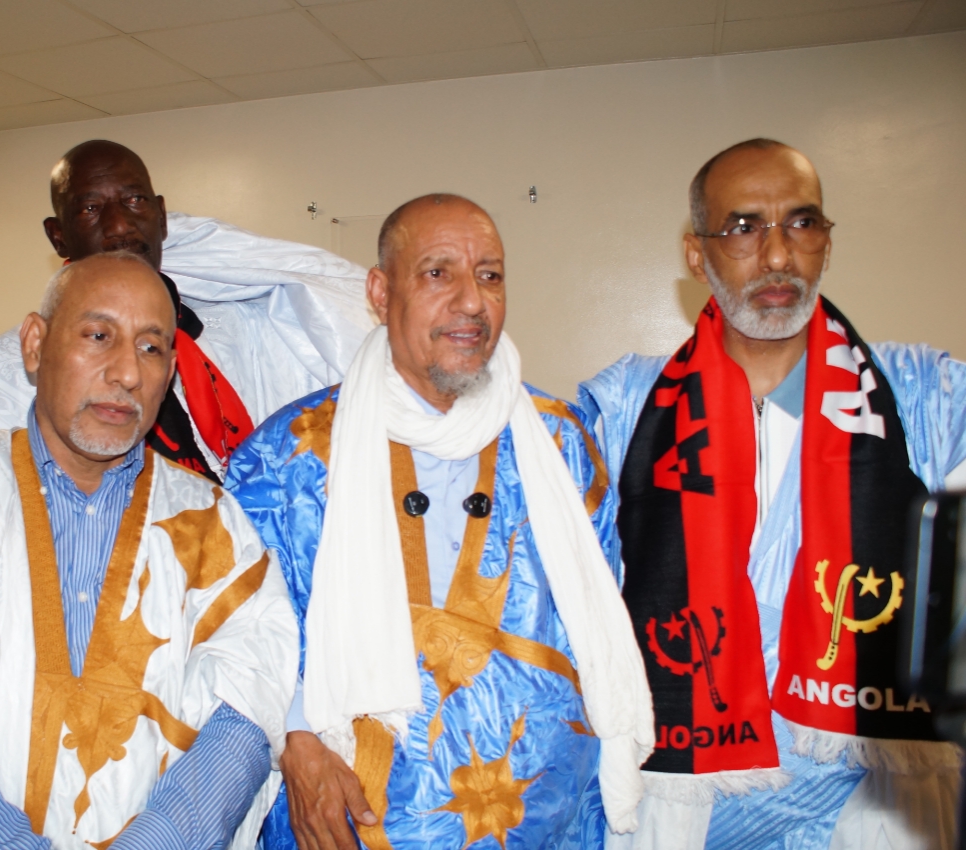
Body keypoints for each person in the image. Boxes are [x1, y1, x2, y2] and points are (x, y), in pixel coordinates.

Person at [226, 194, 655, 850]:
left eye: (490, 275)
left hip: (543, 823)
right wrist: (295, 739)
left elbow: (603, 626)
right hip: (356, 823)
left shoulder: (562, 443)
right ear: (380, 292)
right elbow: (240, 635)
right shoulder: (287, 454)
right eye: (437, 273)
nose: (472, 301)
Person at [0, 252, 298, 849]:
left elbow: (246, 713)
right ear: (35, 345)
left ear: (170, 373)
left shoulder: (215, 524)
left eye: (151, 347)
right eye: (99, 335)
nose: (127, 372)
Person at [578, 139, 966, 848]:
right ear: (697, 255)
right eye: (744, 227)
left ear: (826, 242)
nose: (779, 255)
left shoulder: (925, 395)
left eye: (802, 223)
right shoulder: (624, 407)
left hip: (871, 797)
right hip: (687, 795)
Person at [0, 139, 372, 481]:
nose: (119, 225)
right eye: (91, 208)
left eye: (134, 201)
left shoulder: (240, 329)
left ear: (161, 217)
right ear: (58, 236)